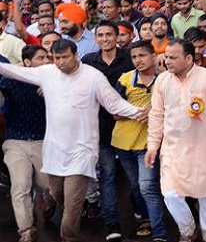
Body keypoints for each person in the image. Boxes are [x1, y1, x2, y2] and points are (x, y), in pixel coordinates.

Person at [0, 39, 145, 242]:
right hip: (54, 150)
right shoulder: (47, 73)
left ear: (75, 55)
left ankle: (68, 238)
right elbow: (12, 71)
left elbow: (114, 104)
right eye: (57, 58)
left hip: (82, 150)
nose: (60, 62)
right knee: (59, 195)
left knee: (72, 203)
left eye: (65, 57)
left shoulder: (93, 77)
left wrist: (141, 113)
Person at [145, 39, 206, 242]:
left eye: (173, 58)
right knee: (171, 194)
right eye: (166, 57)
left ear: (189, 58)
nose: (167, 62)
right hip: (173, 150)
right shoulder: (162, 81)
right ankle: (187, 231)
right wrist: (152, 146)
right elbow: (156, 116)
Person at [81, 20, 137, 242]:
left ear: (117, 36)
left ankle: (139, 210)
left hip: (129, 127)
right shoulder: (88, 62)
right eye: (101, 35)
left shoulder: (129, 59)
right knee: (107, 175)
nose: (105, 39)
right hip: (101, 128)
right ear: (96, 39)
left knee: (134, 177)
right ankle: (112, 221)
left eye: (109, 35)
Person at [113, 41, 168, 242]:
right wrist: (137, 112)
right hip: (124, 141)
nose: (138, 60)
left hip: (149, 143)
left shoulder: (164, 79)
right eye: (134, 57)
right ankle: (145, 218)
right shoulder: (125, 79)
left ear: (154, 56)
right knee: (136, 186)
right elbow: (115, 113)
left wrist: (154, 112)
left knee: (147, 186)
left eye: (143, 55)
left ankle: (159, 232)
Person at [0, 45, 54, 242]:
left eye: (48, 58)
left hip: (42, 140)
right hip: (15, 141)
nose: (47, 61)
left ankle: (50, 200)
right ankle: (26, 230)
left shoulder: (54, 82)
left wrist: (49, 90)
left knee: (48, 185)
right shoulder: (9, 81)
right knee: (21, 185)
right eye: (41, 58)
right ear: (27, 63)